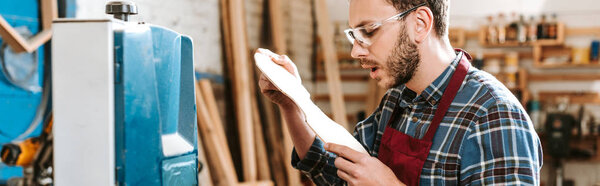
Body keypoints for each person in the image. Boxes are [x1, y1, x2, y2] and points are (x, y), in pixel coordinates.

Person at [258, 0, 542, 185]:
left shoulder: (492, 114)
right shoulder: (396, 101)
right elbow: (336, 172)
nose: (356, 50)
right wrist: (291, 103)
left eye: (369, 31)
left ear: (420, 24)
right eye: (354, 36)